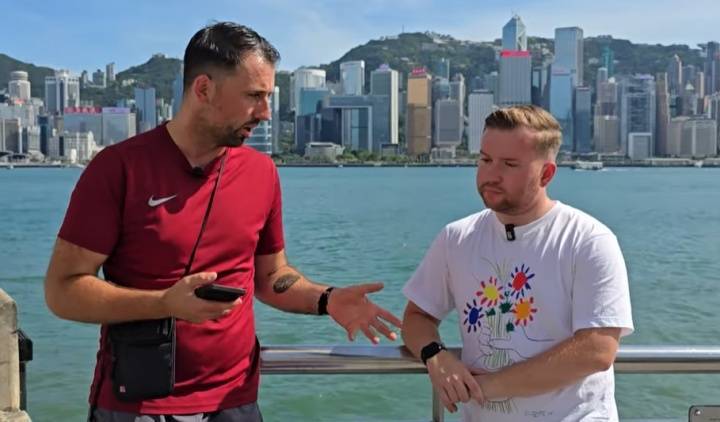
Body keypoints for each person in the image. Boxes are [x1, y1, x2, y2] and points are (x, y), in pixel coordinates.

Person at [44, 22, 401, 422]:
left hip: (235, 402)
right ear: (203, 89)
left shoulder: (262, 173)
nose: (265, 113)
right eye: (253, 96)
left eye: (268, 98)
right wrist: (162, 304)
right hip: (136, 403)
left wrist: (327, 298)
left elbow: (271, 276)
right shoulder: (118, 168)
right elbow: (62, 290)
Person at [401, 105, 633, 421]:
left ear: (546, 174)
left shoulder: (588, 239)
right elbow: (417, 317)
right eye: (485, 160)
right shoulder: (456, 237)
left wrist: (488, 387)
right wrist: (436, 357)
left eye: (509, 164)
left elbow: (596, 350)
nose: (491, 175)